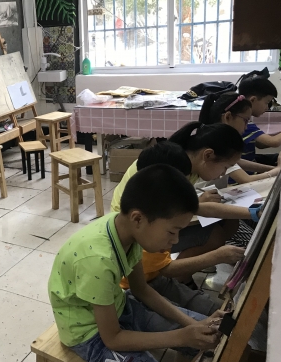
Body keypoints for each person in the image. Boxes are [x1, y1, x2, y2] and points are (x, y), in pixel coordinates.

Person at [48, 164, 224, 362]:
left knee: (209, 334)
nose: (176, 240)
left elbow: (141, 290)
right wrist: (181, 336)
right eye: (172, 231)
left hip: (119, 307)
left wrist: (191, 324)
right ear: (138, 219)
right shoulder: (98, 260)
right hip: (89, 333)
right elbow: (113, 339)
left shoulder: (128, 232)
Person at [111, 122, 265, 286]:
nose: (223, 173)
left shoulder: (182, 165)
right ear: (207, 155)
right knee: (214, 236)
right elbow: (196, 208)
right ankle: (177, 280)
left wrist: (253, 213)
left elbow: (195, 207)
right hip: (137, 229)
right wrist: (216, 257)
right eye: (225, 167)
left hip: (147, 221)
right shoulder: (168, 173)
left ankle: (180, 278)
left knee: (227, 224)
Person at [118, 142, 239, 316]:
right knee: (201, 322)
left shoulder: (162, 204)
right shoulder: (145, 226)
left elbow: (204, 209)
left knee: (209, 312)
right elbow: (147, 285)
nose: (175, 240)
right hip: (141, 287)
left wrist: (252, 213)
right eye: (172, 232)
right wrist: (217, 257)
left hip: (154, 280)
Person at [199, 92, 280, 184]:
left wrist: (273, 169)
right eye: (245, 120)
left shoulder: (220, 139)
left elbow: (236, 162)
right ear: (228, 117)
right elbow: (246, 179)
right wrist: (277, 170)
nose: (246, 127)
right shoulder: (215, 142)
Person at [237, 74, 281, 170]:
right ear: (253, 100)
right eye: (266, 102)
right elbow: (274, 142)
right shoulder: (242, 123)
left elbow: (259, 145)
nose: (267, 108)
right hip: (246, 171)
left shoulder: (244, 118)